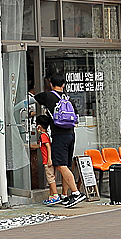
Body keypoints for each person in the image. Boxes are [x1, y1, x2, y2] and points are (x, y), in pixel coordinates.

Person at [33, 73, 85, 208]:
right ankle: (65, 195)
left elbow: (36, 97)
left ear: (51, 84)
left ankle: (75, 193)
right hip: (71, 134)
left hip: (59, 136)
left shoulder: (48, 96)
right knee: (65, 166)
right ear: (63, 85)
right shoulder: (68, 99)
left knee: (60, 165)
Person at [36, 115, 62, 205]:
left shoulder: (43, 135)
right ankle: (51, 196)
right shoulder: (46, 135)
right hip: (48, 160)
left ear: (39, 126)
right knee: (51, 178)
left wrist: (49, 159)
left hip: (47, 161)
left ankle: (55, 195)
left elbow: (48, 147)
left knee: (50, 179)